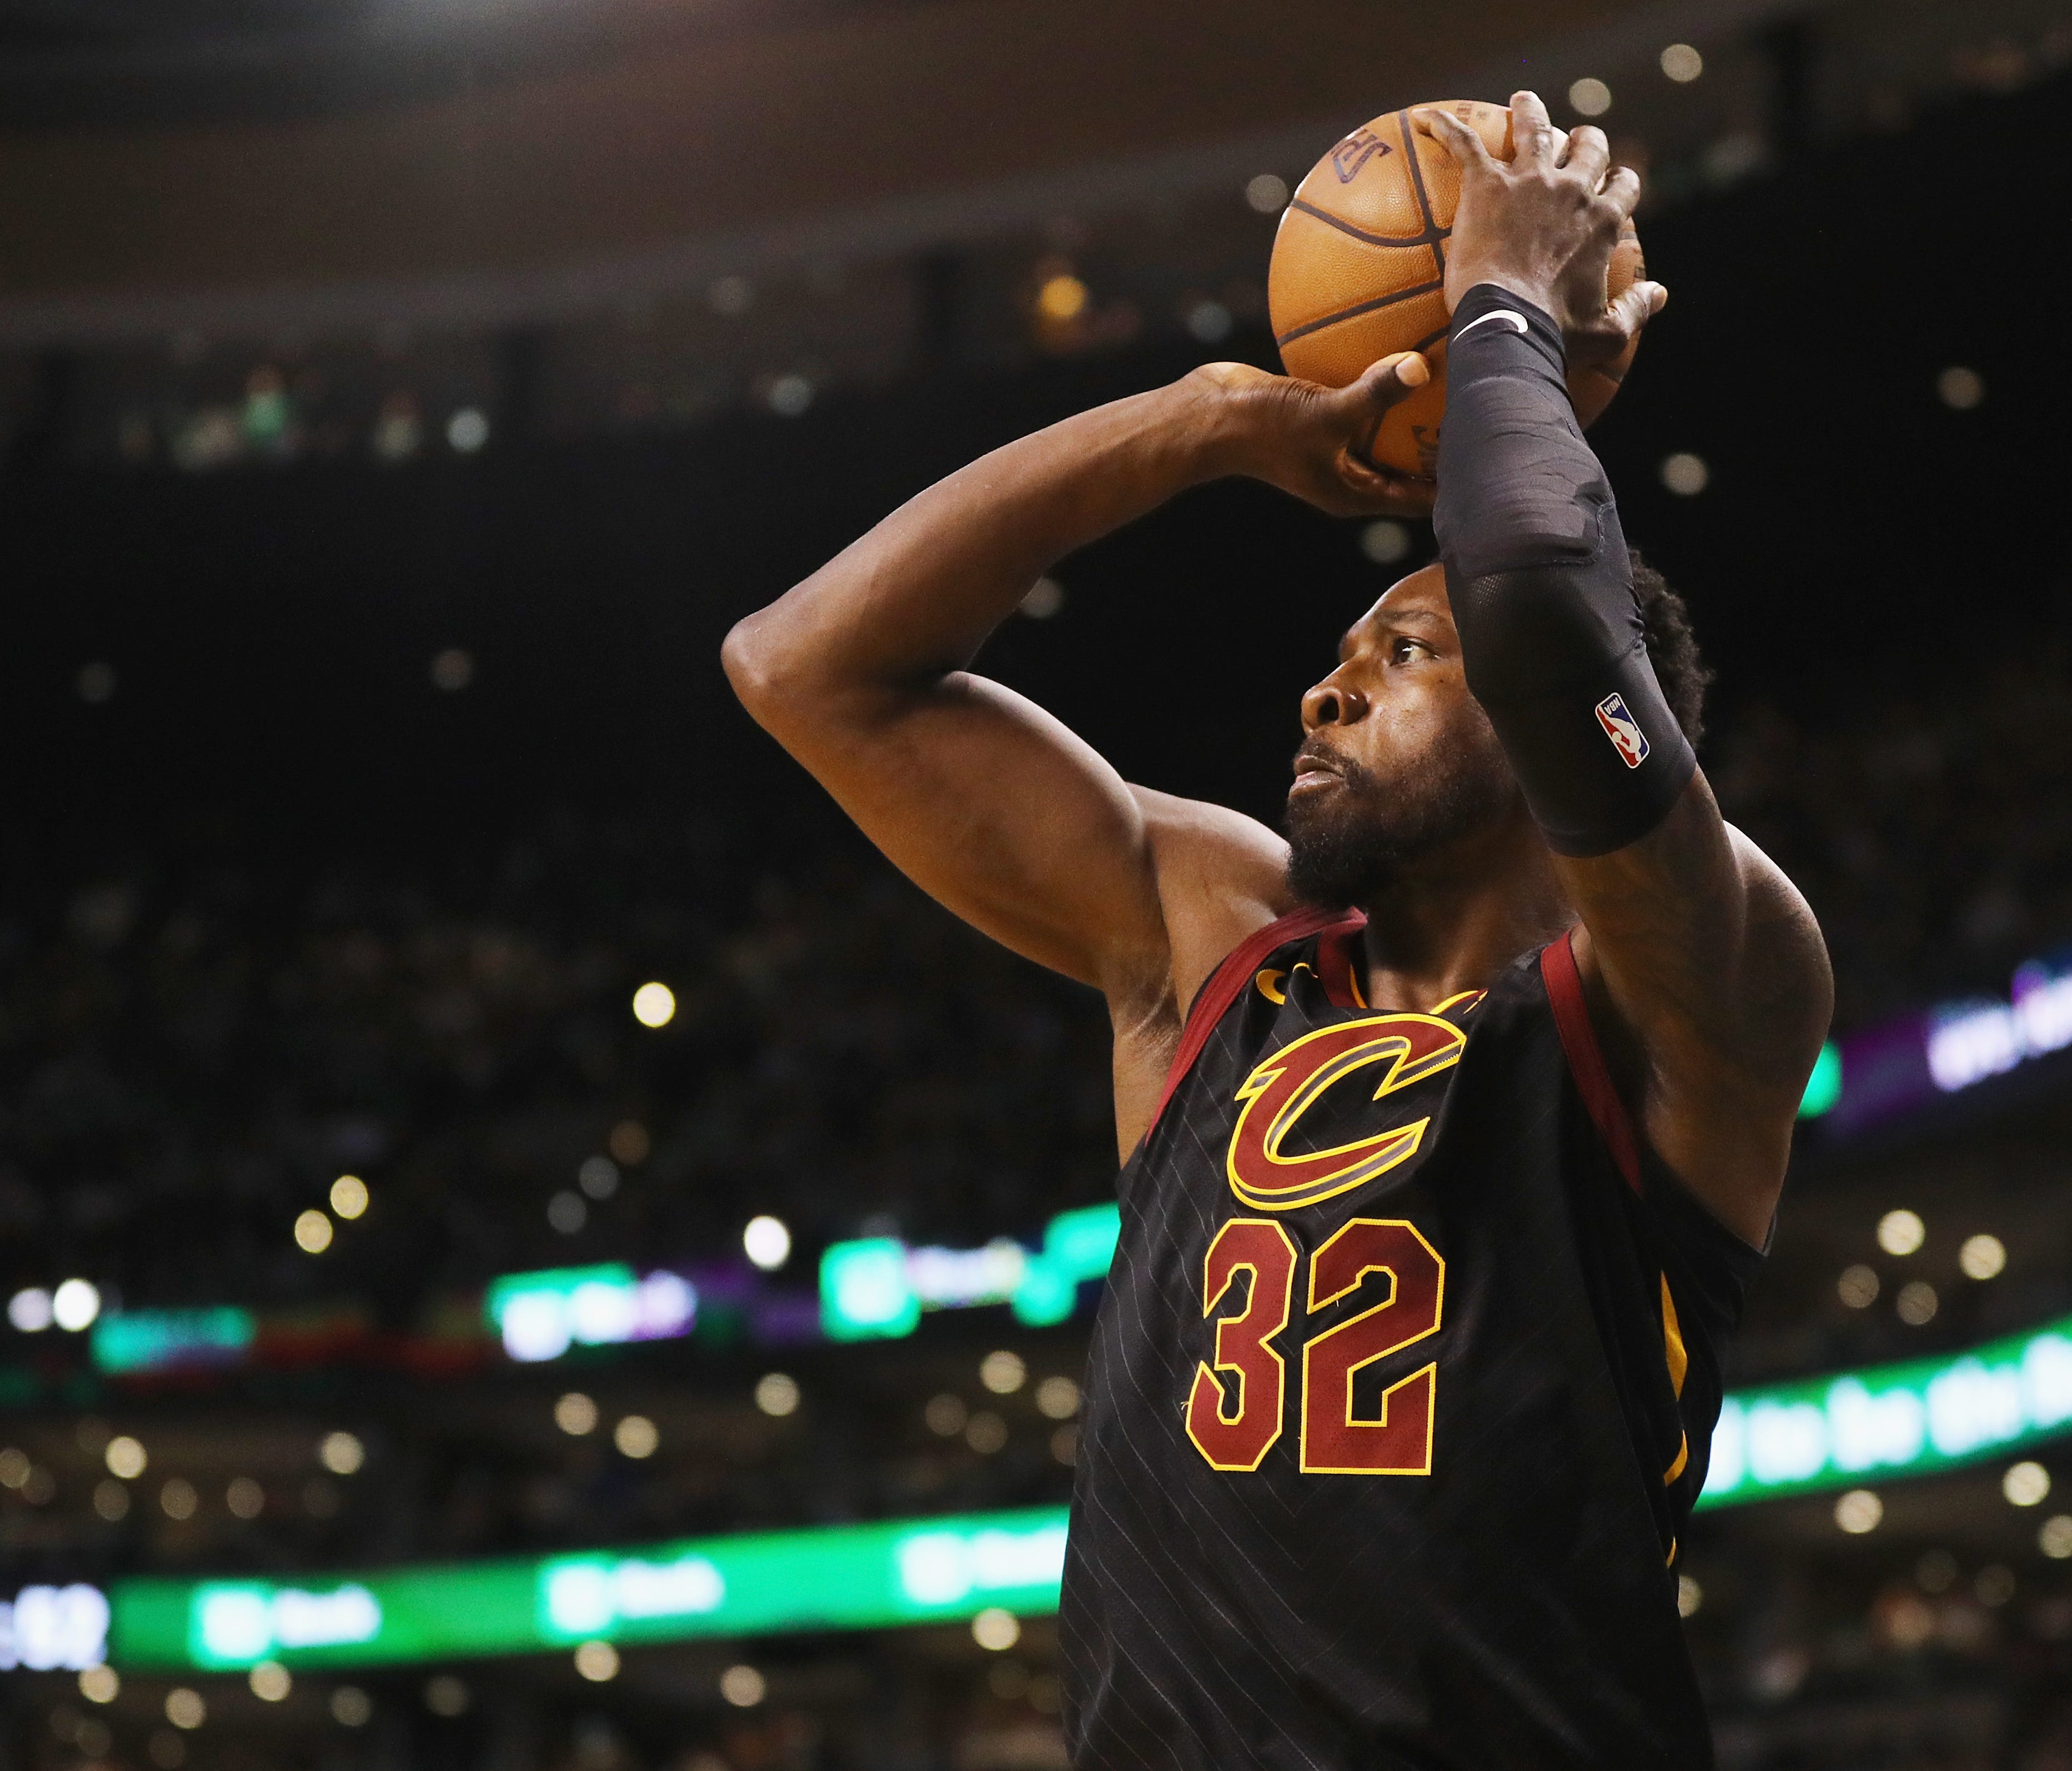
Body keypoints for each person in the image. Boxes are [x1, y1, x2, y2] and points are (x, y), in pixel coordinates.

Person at [724, 90, 1831, 1771]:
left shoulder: (1691, 979)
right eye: (1342, 650)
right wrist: (1205, 422)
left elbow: (1536, 595)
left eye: (1403, 655)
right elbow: (804, 667)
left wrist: (1502, 307)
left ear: (1575, 738)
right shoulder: (1212, 950)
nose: (1324, 687)